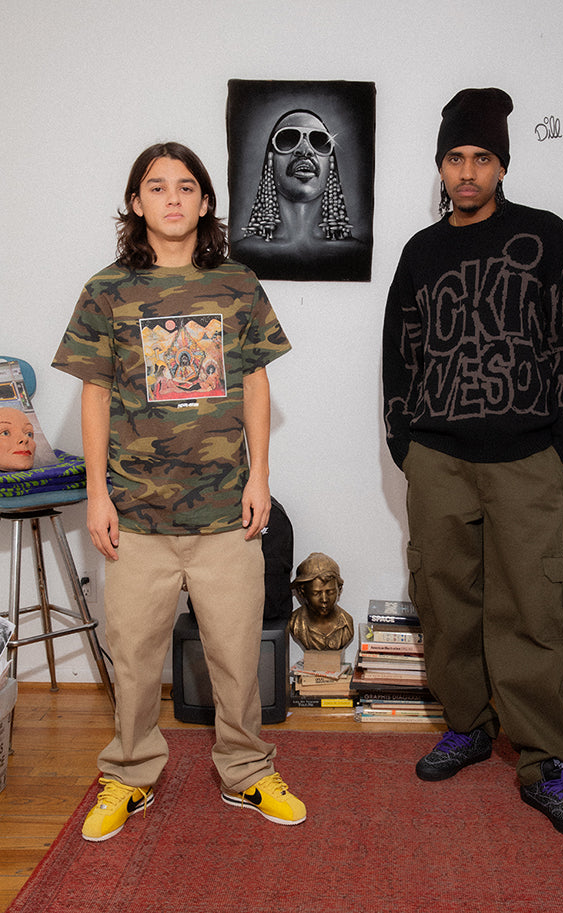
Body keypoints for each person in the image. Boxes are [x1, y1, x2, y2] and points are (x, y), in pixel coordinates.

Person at [52, 141, 306, 841]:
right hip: (136, 515)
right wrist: (97, 495)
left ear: (204, 201)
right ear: (136, 202)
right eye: (157, 186)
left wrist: (260, 475)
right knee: (135, 660)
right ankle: (130, 773)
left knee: (236, 657)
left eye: (185, 186)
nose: (172, 197)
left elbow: (255, 381)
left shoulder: (237, 285)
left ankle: (247, 770)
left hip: (225, 511)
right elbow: (95, 393)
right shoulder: (106, 290)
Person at [382, 88, 563, 840]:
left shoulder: (544, 235)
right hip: (437, 457)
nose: (467, 172)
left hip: (524, 456)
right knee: (446, 604)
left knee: (532, 609)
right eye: (455, 158)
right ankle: (468, 726)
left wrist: (562, 442)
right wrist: (405, 444)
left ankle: (545, 761)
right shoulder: (420, 252)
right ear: (440, 166)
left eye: (481, 158)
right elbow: (400, 356)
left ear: (502, 165)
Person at [231, 109, 367, 280]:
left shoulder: (356, 254)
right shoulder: (241, 254)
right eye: (288, 140)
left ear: (331, 163)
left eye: (319, 142)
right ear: (270, 159)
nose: (305, 150)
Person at [288, 552, 354, 651]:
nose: (324, 599)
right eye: (316, 593)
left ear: (339, 589)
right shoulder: (295, 622)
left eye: (330, 592)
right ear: (301, 592)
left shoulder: (346, 623)